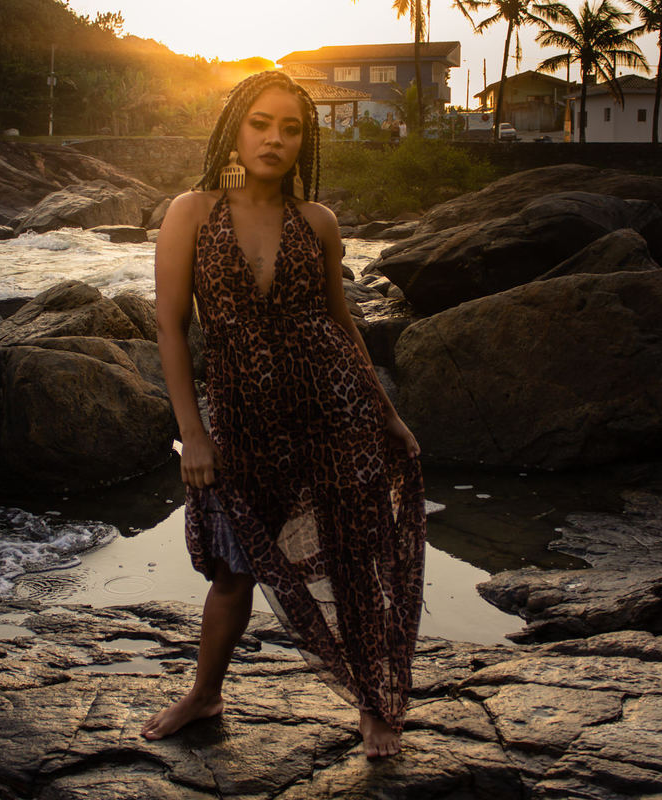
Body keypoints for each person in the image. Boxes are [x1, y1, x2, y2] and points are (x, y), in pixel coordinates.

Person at [141, 70, 426, 759]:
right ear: (235, 130)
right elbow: (171, 328)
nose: (275, 139)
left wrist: (386, 413)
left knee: (354, 557)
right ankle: (205, 693)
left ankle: (374, 703)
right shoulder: (191, 212)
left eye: (291, 128)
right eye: (261, 124)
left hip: (332, 410)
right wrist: (192, 433)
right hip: (241, 418)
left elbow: (342, 324)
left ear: (305, 139)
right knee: (234, 568)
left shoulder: (316, 221)